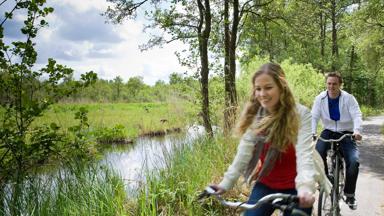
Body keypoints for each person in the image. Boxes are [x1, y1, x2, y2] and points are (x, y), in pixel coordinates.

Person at [210, 63, 328, 216]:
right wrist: (225, 184)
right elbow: (243, 154)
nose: (262, 93)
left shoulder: (300, 114)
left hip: (297, 187)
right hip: (266, 184)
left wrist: (305, 188)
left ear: (281, 86)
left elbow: (304, 155)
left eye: (268, 87)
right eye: (258, 89)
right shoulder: (256, 116)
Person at [311, 71, 362, 210]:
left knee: (354, 161)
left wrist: (357, 131)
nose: (331, 86)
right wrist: (312, 132)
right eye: (329, 83)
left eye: (334, 84)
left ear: (340, 84)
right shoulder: (320, 98)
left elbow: (357, 115)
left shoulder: (349, 98)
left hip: (346, 133)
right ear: (326, 84)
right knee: (317, 153)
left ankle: (350, 194)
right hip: (328, 131)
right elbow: (314, 116)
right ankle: (325, 180)